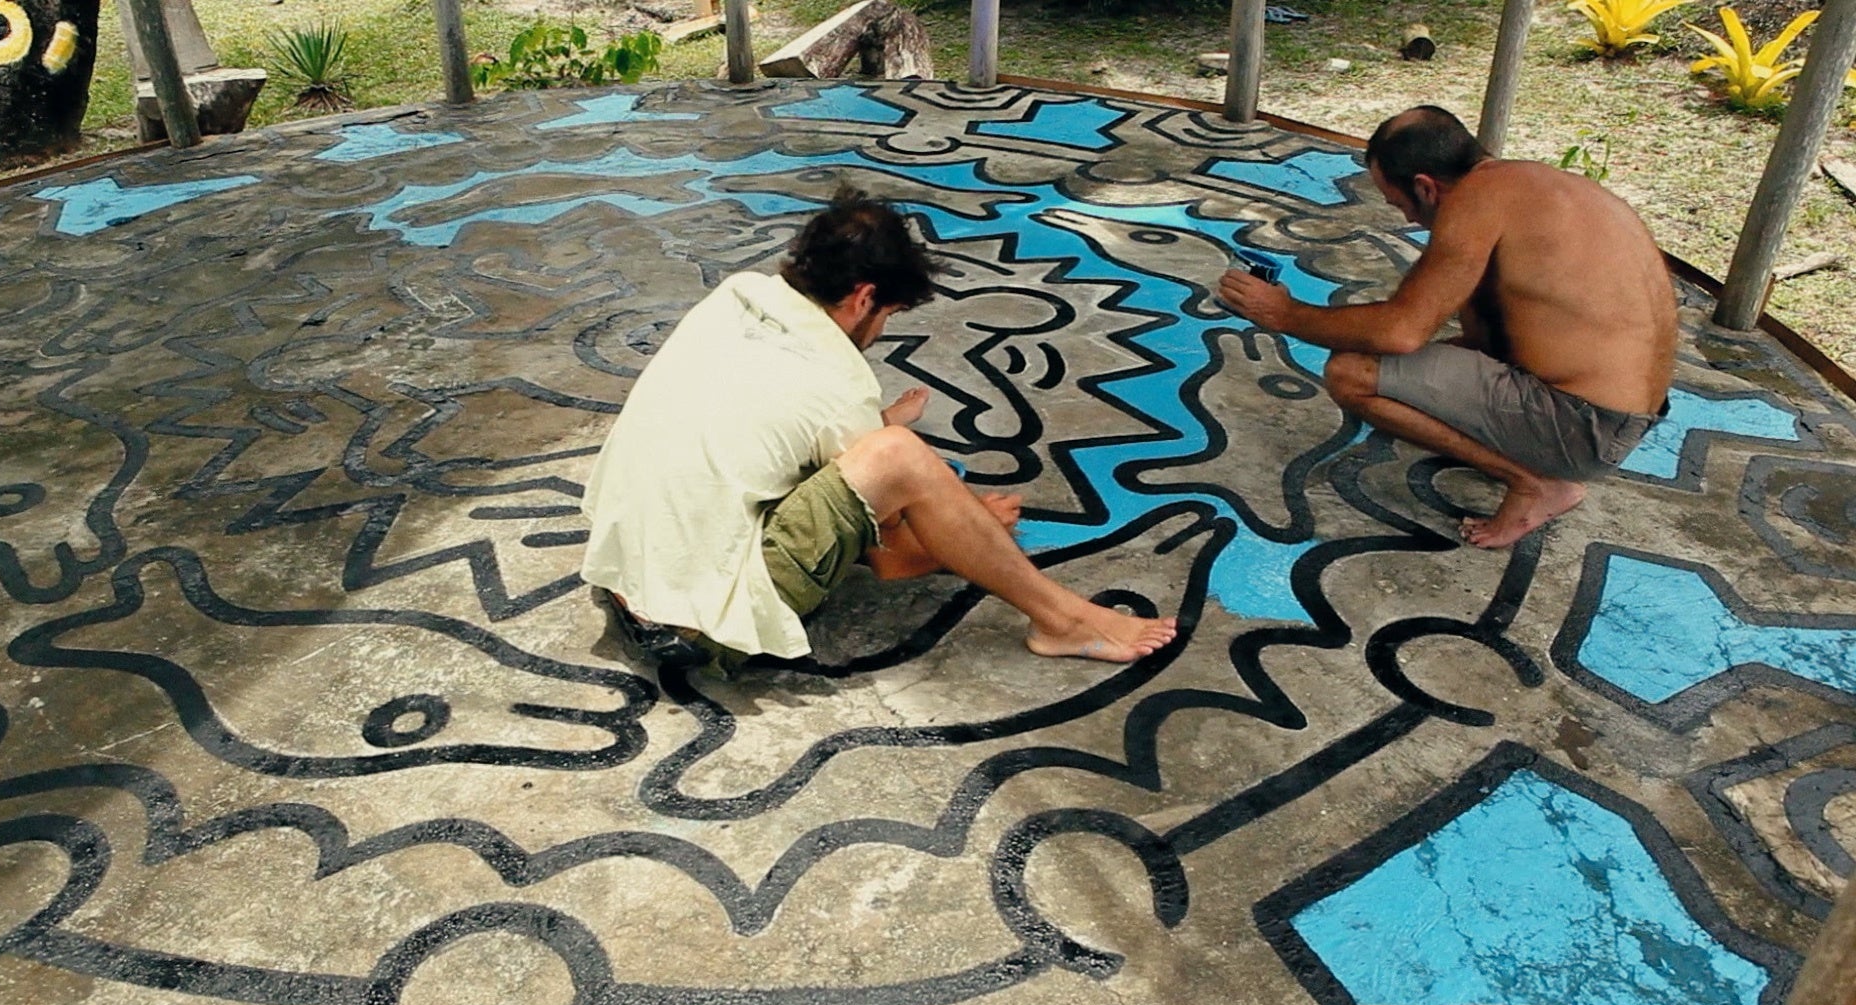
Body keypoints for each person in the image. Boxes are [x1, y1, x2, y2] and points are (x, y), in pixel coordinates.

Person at [580, 186, 1177, 672]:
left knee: (870, 447)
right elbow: (892, 559)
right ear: (864, 298)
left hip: (626, 577)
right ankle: (1063, 621)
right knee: (899, 455)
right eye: (889, 314)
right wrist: (971, 530)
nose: (882, 330)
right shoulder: (834, 379)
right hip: (696, 629)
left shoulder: (737, 295)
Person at [1217, 105, 1676, 548]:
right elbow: (1483, 340)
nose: (1408, 219)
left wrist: (1284, 314)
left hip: (1582, 428)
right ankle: (1533, 458)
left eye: (1400, 204)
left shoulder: (1475, 201)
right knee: (1411, 364)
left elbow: (1400, 331)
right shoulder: (1532, 185)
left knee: (1352, 370)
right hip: (1622, 419)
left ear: (1426, 187)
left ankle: (1536, 484)